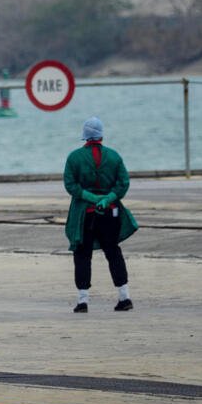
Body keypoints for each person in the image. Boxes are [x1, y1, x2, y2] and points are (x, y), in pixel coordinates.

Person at [63, 116, 138, 313]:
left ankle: (83, 301)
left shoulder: (74, 158)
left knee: (82, 255)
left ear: (85, 137)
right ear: (101, 135)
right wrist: (108, 198)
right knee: (113, 252)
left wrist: (89, 196)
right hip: (110, 213)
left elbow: (70, 185)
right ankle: (124, 297)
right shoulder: (114, 157)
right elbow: (123, 183)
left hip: (84, 215)